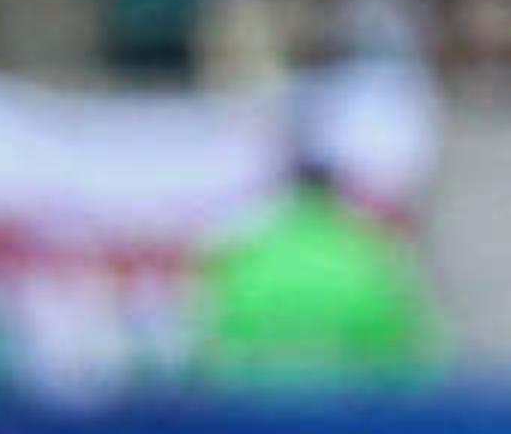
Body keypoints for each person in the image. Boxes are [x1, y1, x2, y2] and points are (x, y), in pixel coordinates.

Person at [190, 161, 444, 388]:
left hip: (252, 416)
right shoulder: (373, 251)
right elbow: (418, 355)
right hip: (353, 418)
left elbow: (204, 349)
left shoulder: (244, 253)